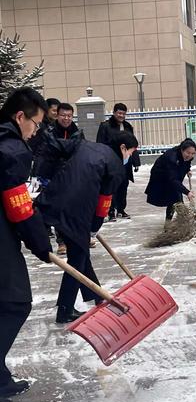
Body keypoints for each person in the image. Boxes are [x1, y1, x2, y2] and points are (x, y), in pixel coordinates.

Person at [35, 131, 135, 323]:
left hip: (52, 202)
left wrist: (43, 174)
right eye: (130, 152)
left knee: (79, 253)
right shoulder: (115, 167)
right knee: (78, 258)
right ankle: (65, 310)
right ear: (123, 148)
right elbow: (103, 204)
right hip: (76, 213)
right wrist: (94, 228)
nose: (130, 157)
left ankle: (97, 296)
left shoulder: (84, 144)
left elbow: (55, 145)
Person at [0, 87, 52, 402]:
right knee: (16, 303)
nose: (35, 132)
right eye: (35, 124)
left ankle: (0, 378)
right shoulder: (12, 151)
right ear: (20, 117)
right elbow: (20, 208)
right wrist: (41, 245)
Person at [34, 102, 82, 255]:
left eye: (69, 116)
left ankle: (78, 237)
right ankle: (62, 242)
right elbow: (44, 152)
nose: (66, 119)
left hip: (71, 175)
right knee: (57, 209)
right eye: (63, 115)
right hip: (52, 176)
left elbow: (80, 152)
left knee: (73, 209)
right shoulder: (48, 132)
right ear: (57, 115)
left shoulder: (77, 132)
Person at [96, 103, 141, 221]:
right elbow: (100, 143)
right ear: (114, 112)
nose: (121, 115)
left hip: (125, 161)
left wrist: (136, 161)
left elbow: (133, 144)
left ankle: (121, 209)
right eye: (119, 113)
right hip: (111, 160)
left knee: (123, 185)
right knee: (111, 186)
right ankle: (110, 211)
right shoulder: (105, 126)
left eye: (123, 113)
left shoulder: (128, 126)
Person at [145, 138, 196, 225]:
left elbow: (187, 162)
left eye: (193, 153)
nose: (190, 155)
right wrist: (187, 192)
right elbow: (172, 179)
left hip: (172, 178)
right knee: (174, 199)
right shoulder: (171, 158)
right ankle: (172, 225)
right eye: (188, 153)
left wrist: (188, 169)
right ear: (182, 149)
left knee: (175, 199)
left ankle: (172, 224)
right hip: (161, 177)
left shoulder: (186, 156)